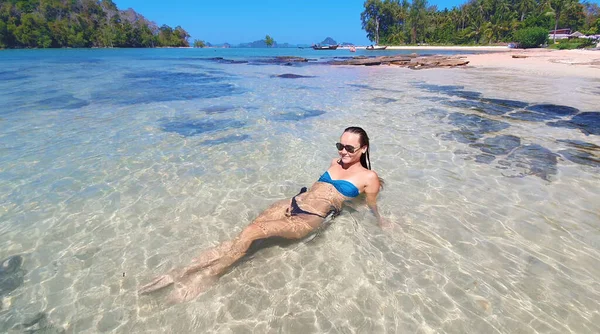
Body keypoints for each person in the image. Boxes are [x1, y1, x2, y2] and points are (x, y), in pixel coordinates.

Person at [139, 126, 389, 302]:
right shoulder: (336, 163)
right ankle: (180, 272)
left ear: (363, 148)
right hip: (292, 203)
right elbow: (318, 188)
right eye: (339, 146)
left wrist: (381, 222)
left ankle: (208, 277)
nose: (342, 152)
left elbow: (371, 204)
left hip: (307, 220)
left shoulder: (369, 178)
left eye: (349, 148)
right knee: (243, 237)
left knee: (251, 233)